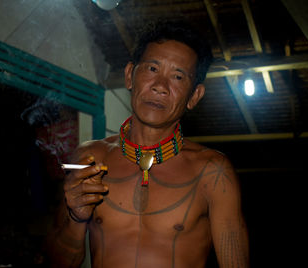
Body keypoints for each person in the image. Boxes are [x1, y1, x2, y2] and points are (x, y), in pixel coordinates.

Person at [46, 21, 249, 268]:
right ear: (130, 75)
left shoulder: (213, 171)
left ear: (194, 96)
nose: (160, 87)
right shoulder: (89, 158)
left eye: (177, 76)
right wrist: (75, 219)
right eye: (153, 68)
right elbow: (59, 262)